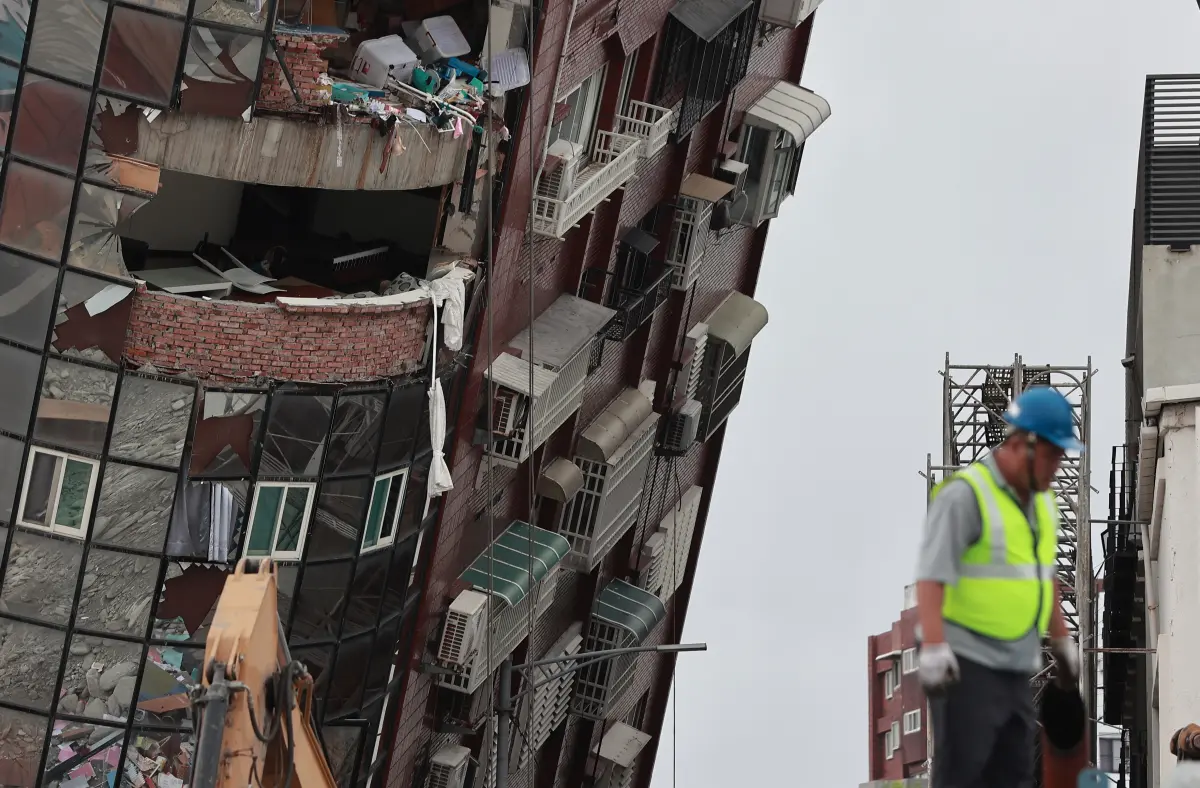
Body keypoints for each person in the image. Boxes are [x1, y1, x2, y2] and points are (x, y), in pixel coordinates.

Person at [914, 386, 1083, 788]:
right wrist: (935, 646)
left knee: (1015, 775)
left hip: (1015, 666)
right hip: (967, 663)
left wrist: (1062, 642)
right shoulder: (965, 496)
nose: (1057, 466)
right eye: (1054, 455)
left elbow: (1044, 579)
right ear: (1024, 445)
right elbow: (932, 574)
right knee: (966, 773)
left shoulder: (1043, 506)